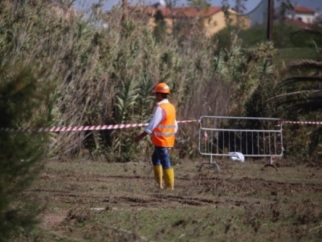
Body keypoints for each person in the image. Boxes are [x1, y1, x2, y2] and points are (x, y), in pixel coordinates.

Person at [134, 83, 177, 190]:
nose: (155, 97)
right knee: (155, 158)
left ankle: (169, 187)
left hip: (161, 140)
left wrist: (140, 136)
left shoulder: (160, 108)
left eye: (156, 94)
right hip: (167, 140)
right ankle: (160, 185)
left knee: (165, 162)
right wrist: (170, 141)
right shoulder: (171, 107)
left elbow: (151, 125)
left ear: (159, 94)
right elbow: (175, 126)